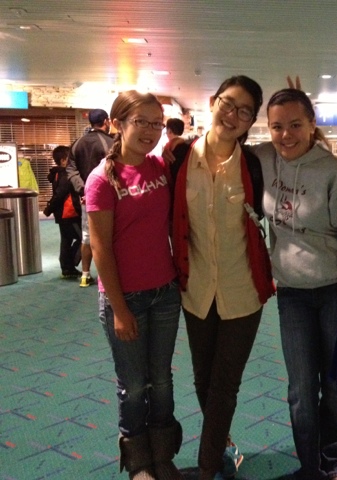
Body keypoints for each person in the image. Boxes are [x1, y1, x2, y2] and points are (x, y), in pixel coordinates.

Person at [253, 88, 337, 480]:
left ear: (312, 125)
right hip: (292, 295)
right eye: (277, 126)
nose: (286, 135)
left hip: (335, 291)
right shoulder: (263, 158)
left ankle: (333, 461)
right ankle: (310, 467)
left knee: (335, 384)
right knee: (300, 389)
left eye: (295, 125)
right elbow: (221, 147)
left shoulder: (333, 172)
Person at [171, 75, 275, 480]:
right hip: (196, 289)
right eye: (228, 104)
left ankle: (207, 467)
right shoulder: (180, 159)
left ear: (251, 121)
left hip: (242, 289)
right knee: (203, 378)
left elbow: (300, 151)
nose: (233, 115)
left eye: (244, 111)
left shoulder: (254, 164)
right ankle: (222, 444)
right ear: (213, 101)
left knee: (225, 384)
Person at [85, 91, 183, 480]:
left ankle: (163, 455)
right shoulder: (101, 180)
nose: (150, 130)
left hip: (165, 293)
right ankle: (139, 462)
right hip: (124, 299)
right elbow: (101, 248)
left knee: (162, 380)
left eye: (157, 123)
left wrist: (175, 144)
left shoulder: (160, 166)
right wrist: (120, 309)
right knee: (134, 384)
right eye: (141, 121)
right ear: (117, 124)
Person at [67, 108, 114, 287]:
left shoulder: (77, 143)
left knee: (87, 236)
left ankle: (85, 275)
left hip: (86, 199)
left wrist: (84, 190)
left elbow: (71, 170)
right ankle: (109, 274)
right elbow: (113, 170)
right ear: (106, 121)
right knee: (111, 235)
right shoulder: (111, 143)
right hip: (110, 198)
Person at [43, 145, 82, 278]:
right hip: (70, 213)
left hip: (63, 214)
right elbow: (60, 194)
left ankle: (67, 269)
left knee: (66, 240)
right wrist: (49, 208)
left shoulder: (57, 174)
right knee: (84, 238)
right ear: (63, 160)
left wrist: (50, 209)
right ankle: (69, 264)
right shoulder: (65, 174)